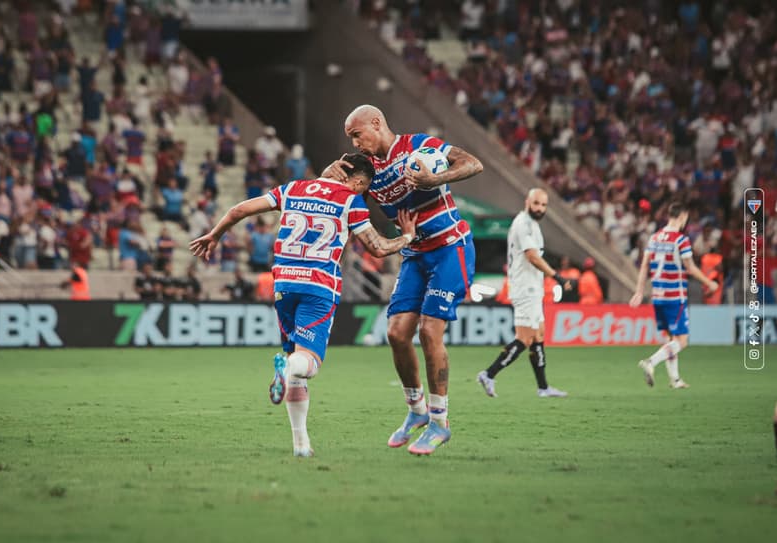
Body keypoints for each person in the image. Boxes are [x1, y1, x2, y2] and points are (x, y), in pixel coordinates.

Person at [190, 153, 417, 458]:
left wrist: (215, 235)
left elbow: (240, 208)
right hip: (318, 287)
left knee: (296, 366)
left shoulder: (293, 188)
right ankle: (285, 369)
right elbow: (377, 248)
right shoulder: (351, 200)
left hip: (283, 283)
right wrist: (406, 237)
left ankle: (301, 445)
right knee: (307, 365)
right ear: (359, 181)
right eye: (364, 187)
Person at [322, 105, 483, 455]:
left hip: (449, 247)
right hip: (415, 255)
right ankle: (417, 412)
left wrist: (433, 179)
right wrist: (327, 174)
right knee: (396, 334)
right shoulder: (367, 169)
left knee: (428, 331)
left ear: (377, 123)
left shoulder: (418, 146)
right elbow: (332, 195)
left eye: (357, 134)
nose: (354, 142)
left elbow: (473, 163)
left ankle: (441, 423)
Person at [476, 189, 570, 399]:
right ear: (527, 201)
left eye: (544, 205)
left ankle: (543, 387)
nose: (540, 208)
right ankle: (488, 374)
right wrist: (557, 277)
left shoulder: (532, 224)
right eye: (536, 203)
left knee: (538, 335)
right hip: (525, 288)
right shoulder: (523, 224)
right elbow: (532, 257)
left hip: (533, 287)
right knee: (525, 338)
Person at [629, 203, 719, 388]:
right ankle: (651, 362)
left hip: (657, 296)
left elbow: (645, 265)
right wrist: (709, 282)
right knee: (682, 341)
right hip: (674, 296)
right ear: (682, 216)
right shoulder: (680, 240)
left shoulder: (654, 238)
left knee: (672, 340)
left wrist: (639, 291)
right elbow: (690, 267)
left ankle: (675, 379)